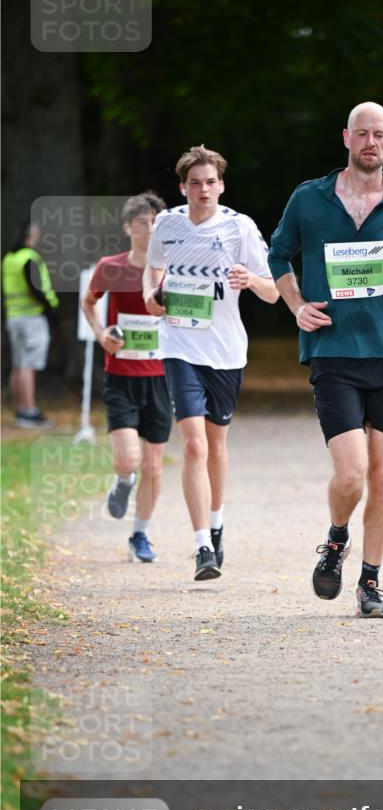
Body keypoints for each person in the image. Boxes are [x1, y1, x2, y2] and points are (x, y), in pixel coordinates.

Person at [268, 102, 383, 618]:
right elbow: (278, 254)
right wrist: (297, 305)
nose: (371, 142)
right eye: (362, 133)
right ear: (346, 137)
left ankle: (370, 581)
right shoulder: (310, 197)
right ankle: (335, 539)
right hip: (333, 351)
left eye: (381, 134)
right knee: (351, 475)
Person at [143, 144, 278, 581]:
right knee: (195, 445)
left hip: (225, 351)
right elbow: (153, 269)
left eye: (211, 182)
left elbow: (273, 290)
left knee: (217, 446)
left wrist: (251, 279)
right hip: (179, 344)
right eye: (195, 183)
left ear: (222, 185)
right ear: (183, 187)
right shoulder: (166, 223)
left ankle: (217, 523)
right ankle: (202, 545)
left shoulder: (239, 228)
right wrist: (151, 295)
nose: (204, 190)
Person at [81, 191, 170, 563]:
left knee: (153, 464)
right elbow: (88, 301)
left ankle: (140, 535)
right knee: (128, 460)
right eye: (142, 223)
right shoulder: (111, 267)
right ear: (127, 227)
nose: (149, 230)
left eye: (155, 223)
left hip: (162, 376)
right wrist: (102, 335)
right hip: (120, 375)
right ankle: (122, 481)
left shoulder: (172, 268)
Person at [2, 220, 59, 428]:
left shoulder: (9, 258)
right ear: (31, 235)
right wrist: (49, 308)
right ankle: (29, 411)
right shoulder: (29, 258)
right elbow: (36, 289)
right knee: (28, 365)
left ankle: (20, 409)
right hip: (31, 318)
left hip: (14, 316)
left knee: (18, 364)